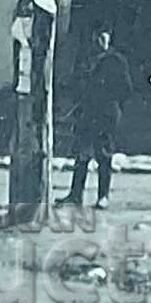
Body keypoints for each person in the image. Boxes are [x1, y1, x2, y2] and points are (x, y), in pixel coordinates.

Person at [56, 29, 133, 210]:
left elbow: (126, 89)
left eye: (103, 37)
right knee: (81, 155)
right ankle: (75, 195)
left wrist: (110, 101)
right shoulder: (87, 60)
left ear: (109, 39)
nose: (99, 41)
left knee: (103, 155)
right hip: (87, 113)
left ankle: (103, 196)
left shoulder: (116, 61)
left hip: (105, 114)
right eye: (96, 37)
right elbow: (77, 83)